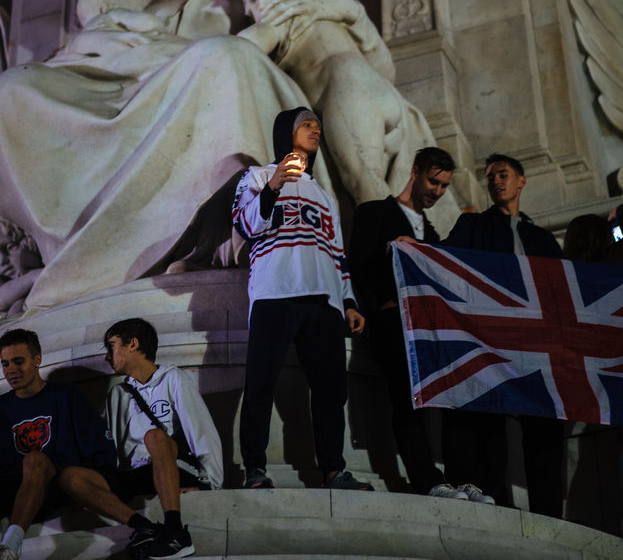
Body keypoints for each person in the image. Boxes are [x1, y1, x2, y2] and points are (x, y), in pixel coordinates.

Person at [0, 0, 323, 312]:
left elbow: (314, 53)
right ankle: (78, 255)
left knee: (224, 55)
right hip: (128, 98)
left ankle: (224, 233)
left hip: (210, 96)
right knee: (13, 89)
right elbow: (82, 58)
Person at [232, 106, 373, 491]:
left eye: (317, 125)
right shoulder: (257, 176)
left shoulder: (324, 196)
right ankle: (255, 468)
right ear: (286, 132)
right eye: (306, 124)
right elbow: (245, 225)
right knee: (260, 383)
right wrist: (274, 184)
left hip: (323, 299)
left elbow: (338, 253)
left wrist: (349, 301)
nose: (316, 130)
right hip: (275, 293)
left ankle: (333, 469)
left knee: (331, 390)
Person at [238, 0, 440, 206]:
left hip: (349, 90)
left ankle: (389, 233)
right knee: (369, 188)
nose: (265, 3)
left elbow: (236, 50)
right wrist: (352, 11)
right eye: (253, 0)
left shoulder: (286, 18)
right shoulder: (331, 15)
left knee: (366, 188)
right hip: (369, 93)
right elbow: (384, 71)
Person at [349, 147, 492, 502]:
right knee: (407, 400)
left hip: (430, 328)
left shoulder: (430, 232)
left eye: (444, 186)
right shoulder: (374, 212)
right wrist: (390, 250)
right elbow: (358, 265)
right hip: (392, 322)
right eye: (433, 182)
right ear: (415, 172)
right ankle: (427, 479)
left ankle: (463, 479)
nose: (438, 192)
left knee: (454, 397)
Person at [443, 153, 564, 517]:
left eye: (503, 174)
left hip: (538, 343)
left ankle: (548, 512)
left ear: (521, 181)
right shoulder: (475, 226)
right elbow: (445, 260)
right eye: (491, 176)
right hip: (491, 338)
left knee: (545, 428)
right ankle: (495, 500)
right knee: (489, 420)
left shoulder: (542, 239)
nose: (496, 180)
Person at [0, 328, 160, 560]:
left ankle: (145, 526)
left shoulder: (65, 395)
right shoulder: (2, 407)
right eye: (5, 364)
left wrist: (79, 484)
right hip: (23, 489)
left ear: (37, 360)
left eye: (18, 361)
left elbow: (99, 446)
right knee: (33, 461)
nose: (11, 370)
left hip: (65, 484)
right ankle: (10, 544)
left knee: (40, 462)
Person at [104, 317, 223, 560]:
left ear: (133, 344)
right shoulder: (117, 393)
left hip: (170, 465)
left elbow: (201, 432)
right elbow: (110, 447)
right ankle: (143, 528)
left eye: (111, 346)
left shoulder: (173, 378)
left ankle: (174, 530)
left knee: (154, 436)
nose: (107, 356)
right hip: (134, 474)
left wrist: (210, 482)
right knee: (73, 477)